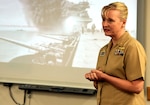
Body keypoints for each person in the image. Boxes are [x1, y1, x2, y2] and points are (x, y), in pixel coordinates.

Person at [85, 2, 146, 105]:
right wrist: (96, 79)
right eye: (103, 20)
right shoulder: (103, 50)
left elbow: (137, 86)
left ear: (123, 22)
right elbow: (104, 85)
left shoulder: (132, 47)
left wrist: (105, 77)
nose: (104, 24)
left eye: (110, 20)